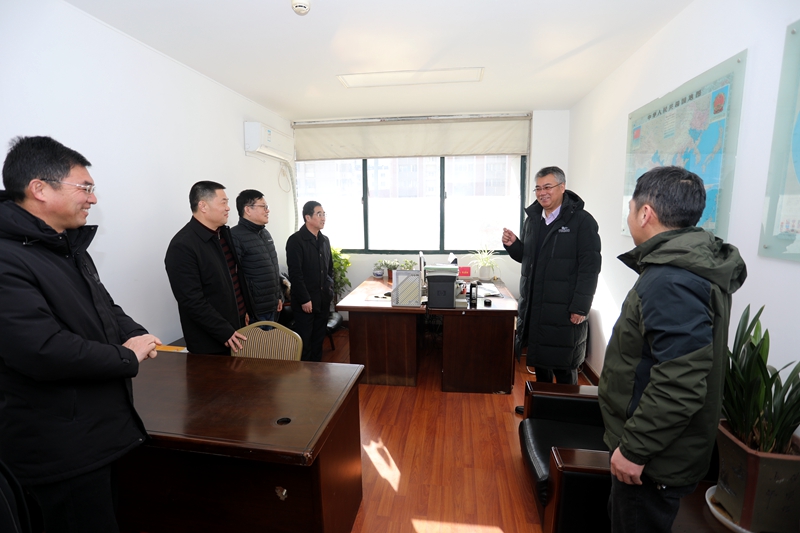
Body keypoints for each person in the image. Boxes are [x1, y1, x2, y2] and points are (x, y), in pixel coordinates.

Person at [0, 136, 161, 532]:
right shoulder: (7, 257)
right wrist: (127, 356)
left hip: (95, 433)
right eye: (84, 188)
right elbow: (42, 350)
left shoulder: (67, 246)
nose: (93, 198)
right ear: (40, 189)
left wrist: (138, 334)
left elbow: (103, 307)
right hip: (59, 448)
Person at [598, 166, 747, 533]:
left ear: (645, 213)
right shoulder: (686, 264)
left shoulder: (672, 279)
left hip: (651, 460)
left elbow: (680, 382)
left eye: (630, 209)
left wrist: (634, 449)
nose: (629, 216)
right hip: (657, 448)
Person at [503, 166, 601, 405]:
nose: (542, 193)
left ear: (562, 187)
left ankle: (567, 413)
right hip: (537, 305)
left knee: (564, 366)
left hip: (564, 308)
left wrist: (580, 306)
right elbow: (530, 258)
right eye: (538, 188)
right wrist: (514, 245)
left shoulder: (582, 221)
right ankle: (540, 409)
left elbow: (590, 268)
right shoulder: (533, 219)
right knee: (541, 362)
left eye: (547, 187)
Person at [164, 181, 255, 355]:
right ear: (203, 206)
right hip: (211, 340)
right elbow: (192, 300)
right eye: (223, 202)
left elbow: (234, 278)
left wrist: (244, 310)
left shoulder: (223, 234)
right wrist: (224, 331)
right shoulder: (182, 246)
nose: (228, 208)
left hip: (237, 327)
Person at [285, 201, 333, 362]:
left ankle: (317, 373)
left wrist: (329, 288)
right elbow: (295, 274)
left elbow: (329, 269)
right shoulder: (296, 240)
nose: (323, 218)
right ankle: (304, 375)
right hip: (305, 302)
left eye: (324, 214)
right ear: (307, 217)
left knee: (318, 340)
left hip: (322, 299)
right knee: (305, 343)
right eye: (319, 214)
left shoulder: (324, 240)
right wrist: (305, 299)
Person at [230, 190, 283, 324]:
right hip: (254, 310)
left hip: (271, 306)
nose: (267, 210)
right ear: (248, 210)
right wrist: (242, 309)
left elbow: (274, 269)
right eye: (263, 206)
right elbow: (233, 278)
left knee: (271, 339)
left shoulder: (265, 233)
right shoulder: (234, 236)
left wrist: (278, 296)